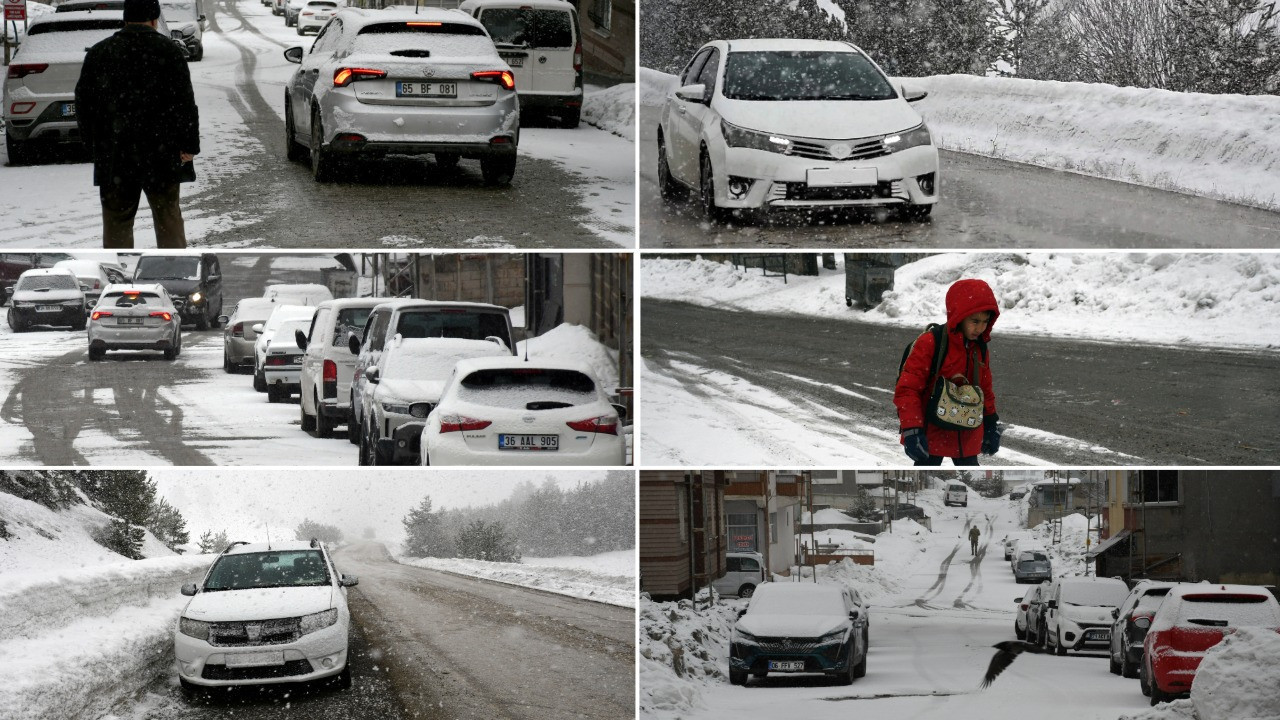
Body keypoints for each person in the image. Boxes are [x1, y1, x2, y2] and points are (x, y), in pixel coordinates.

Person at [75, 0, 200, 249]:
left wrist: (93, 144)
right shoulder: (169, 52)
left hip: (116, 155)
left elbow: (84, 104)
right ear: (154, 20)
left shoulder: (100, 53)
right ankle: (173, 264)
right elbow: (185, 103)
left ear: (125, 19)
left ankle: (120, 269)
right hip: (162, 154)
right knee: (168, 221)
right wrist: (188, 145)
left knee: (117, 224)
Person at [894, 278, 1002, 466]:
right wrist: (912, 429)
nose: (980, 328)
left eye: (985, 321)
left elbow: (984, 389)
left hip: (967, 431)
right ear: (959, 316)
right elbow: (908, 389)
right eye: (975, 321)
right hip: (932, 431)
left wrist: (991, 422)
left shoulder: (979, 348)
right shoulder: (931, 343)